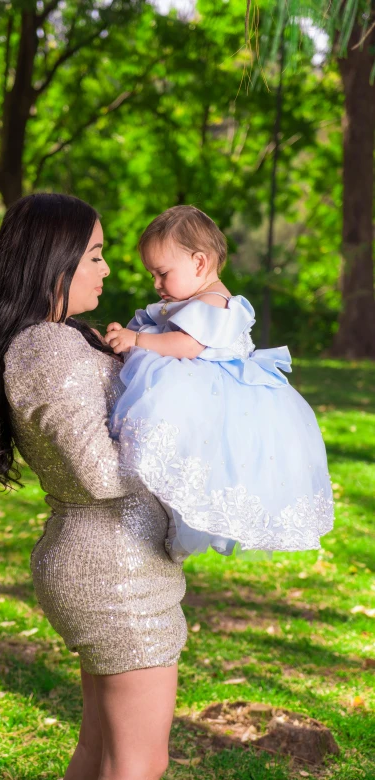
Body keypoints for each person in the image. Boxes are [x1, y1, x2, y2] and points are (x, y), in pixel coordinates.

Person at [0, 193, 187, 780]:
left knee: (101, 752)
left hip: (109, 560)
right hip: (114, 570)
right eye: (96, 256)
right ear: (54, 260)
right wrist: (189, 457)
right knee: (138, 764)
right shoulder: (49, 348)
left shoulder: (52, 338)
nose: (106, 270)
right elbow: (99, 474)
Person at [105, 205, 334, 562]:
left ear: (199, 263)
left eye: (162, 273)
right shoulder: (191, 296)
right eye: (152, 274)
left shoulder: (213, 300)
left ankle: (176, 523)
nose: (156, 284)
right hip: (200, 389)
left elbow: (187, 345)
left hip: (215, 394)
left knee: (199, 458)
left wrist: (137, 341)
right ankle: (166, 511)